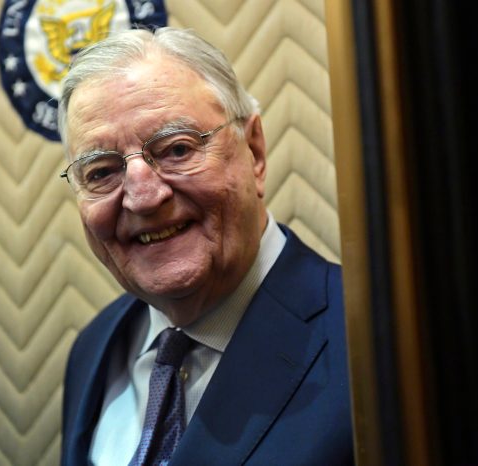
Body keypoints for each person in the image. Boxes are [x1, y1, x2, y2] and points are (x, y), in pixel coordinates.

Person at [57, 27, 353, 465]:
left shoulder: (365, 341)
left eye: (177, 149)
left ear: (253, 152)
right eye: (101, 172)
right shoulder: (96, 348)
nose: (143, 197)